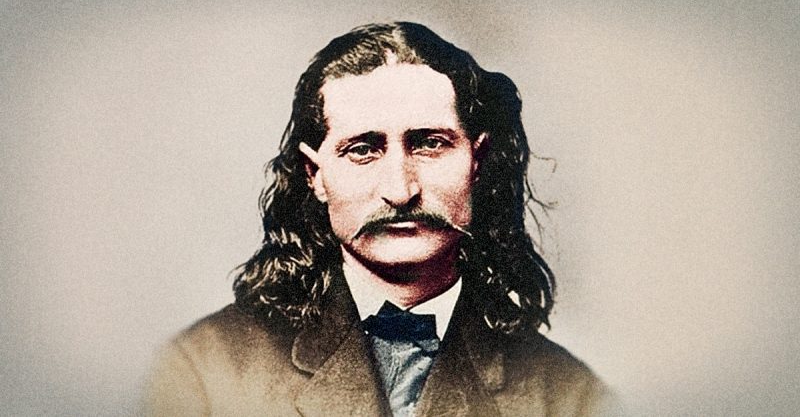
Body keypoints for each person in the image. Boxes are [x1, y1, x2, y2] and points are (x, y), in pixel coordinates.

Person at [145, 22, 615, 416]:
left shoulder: (571, 397)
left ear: (477, 160)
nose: (401, 190)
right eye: (363, 150)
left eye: (429, 144)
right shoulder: (201, 373)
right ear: (314, 174)